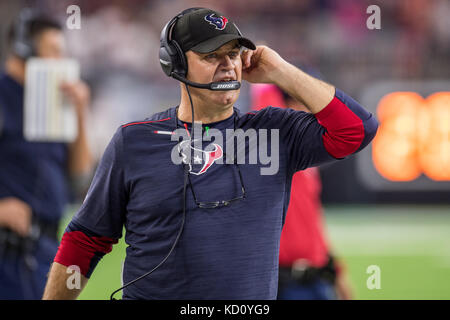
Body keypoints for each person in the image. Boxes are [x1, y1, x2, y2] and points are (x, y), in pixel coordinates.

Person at [42, 7, 378, 300]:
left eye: (233, 54)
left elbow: (358, 130)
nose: (227, 66)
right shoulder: (134, 142)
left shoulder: (275, 133)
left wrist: (280, 71)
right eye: (210, 56)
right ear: (174, 63)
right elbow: (85, 239)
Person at [0, 9, 93, 299]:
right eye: (53, 51)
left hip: (46, 249)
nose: (60, 61)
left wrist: (79, 114)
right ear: (25, 49)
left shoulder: (52, 99)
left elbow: (80, 178)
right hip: (8, 252)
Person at [251, 83, 354, 300]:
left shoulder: (308, 159)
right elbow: (263, 91)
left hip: (317, 279)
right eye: (307, 102)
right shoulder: (278, 143)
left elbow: (311, 223)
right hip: (286, 284)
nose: (315, 112)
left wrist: (337, 273)